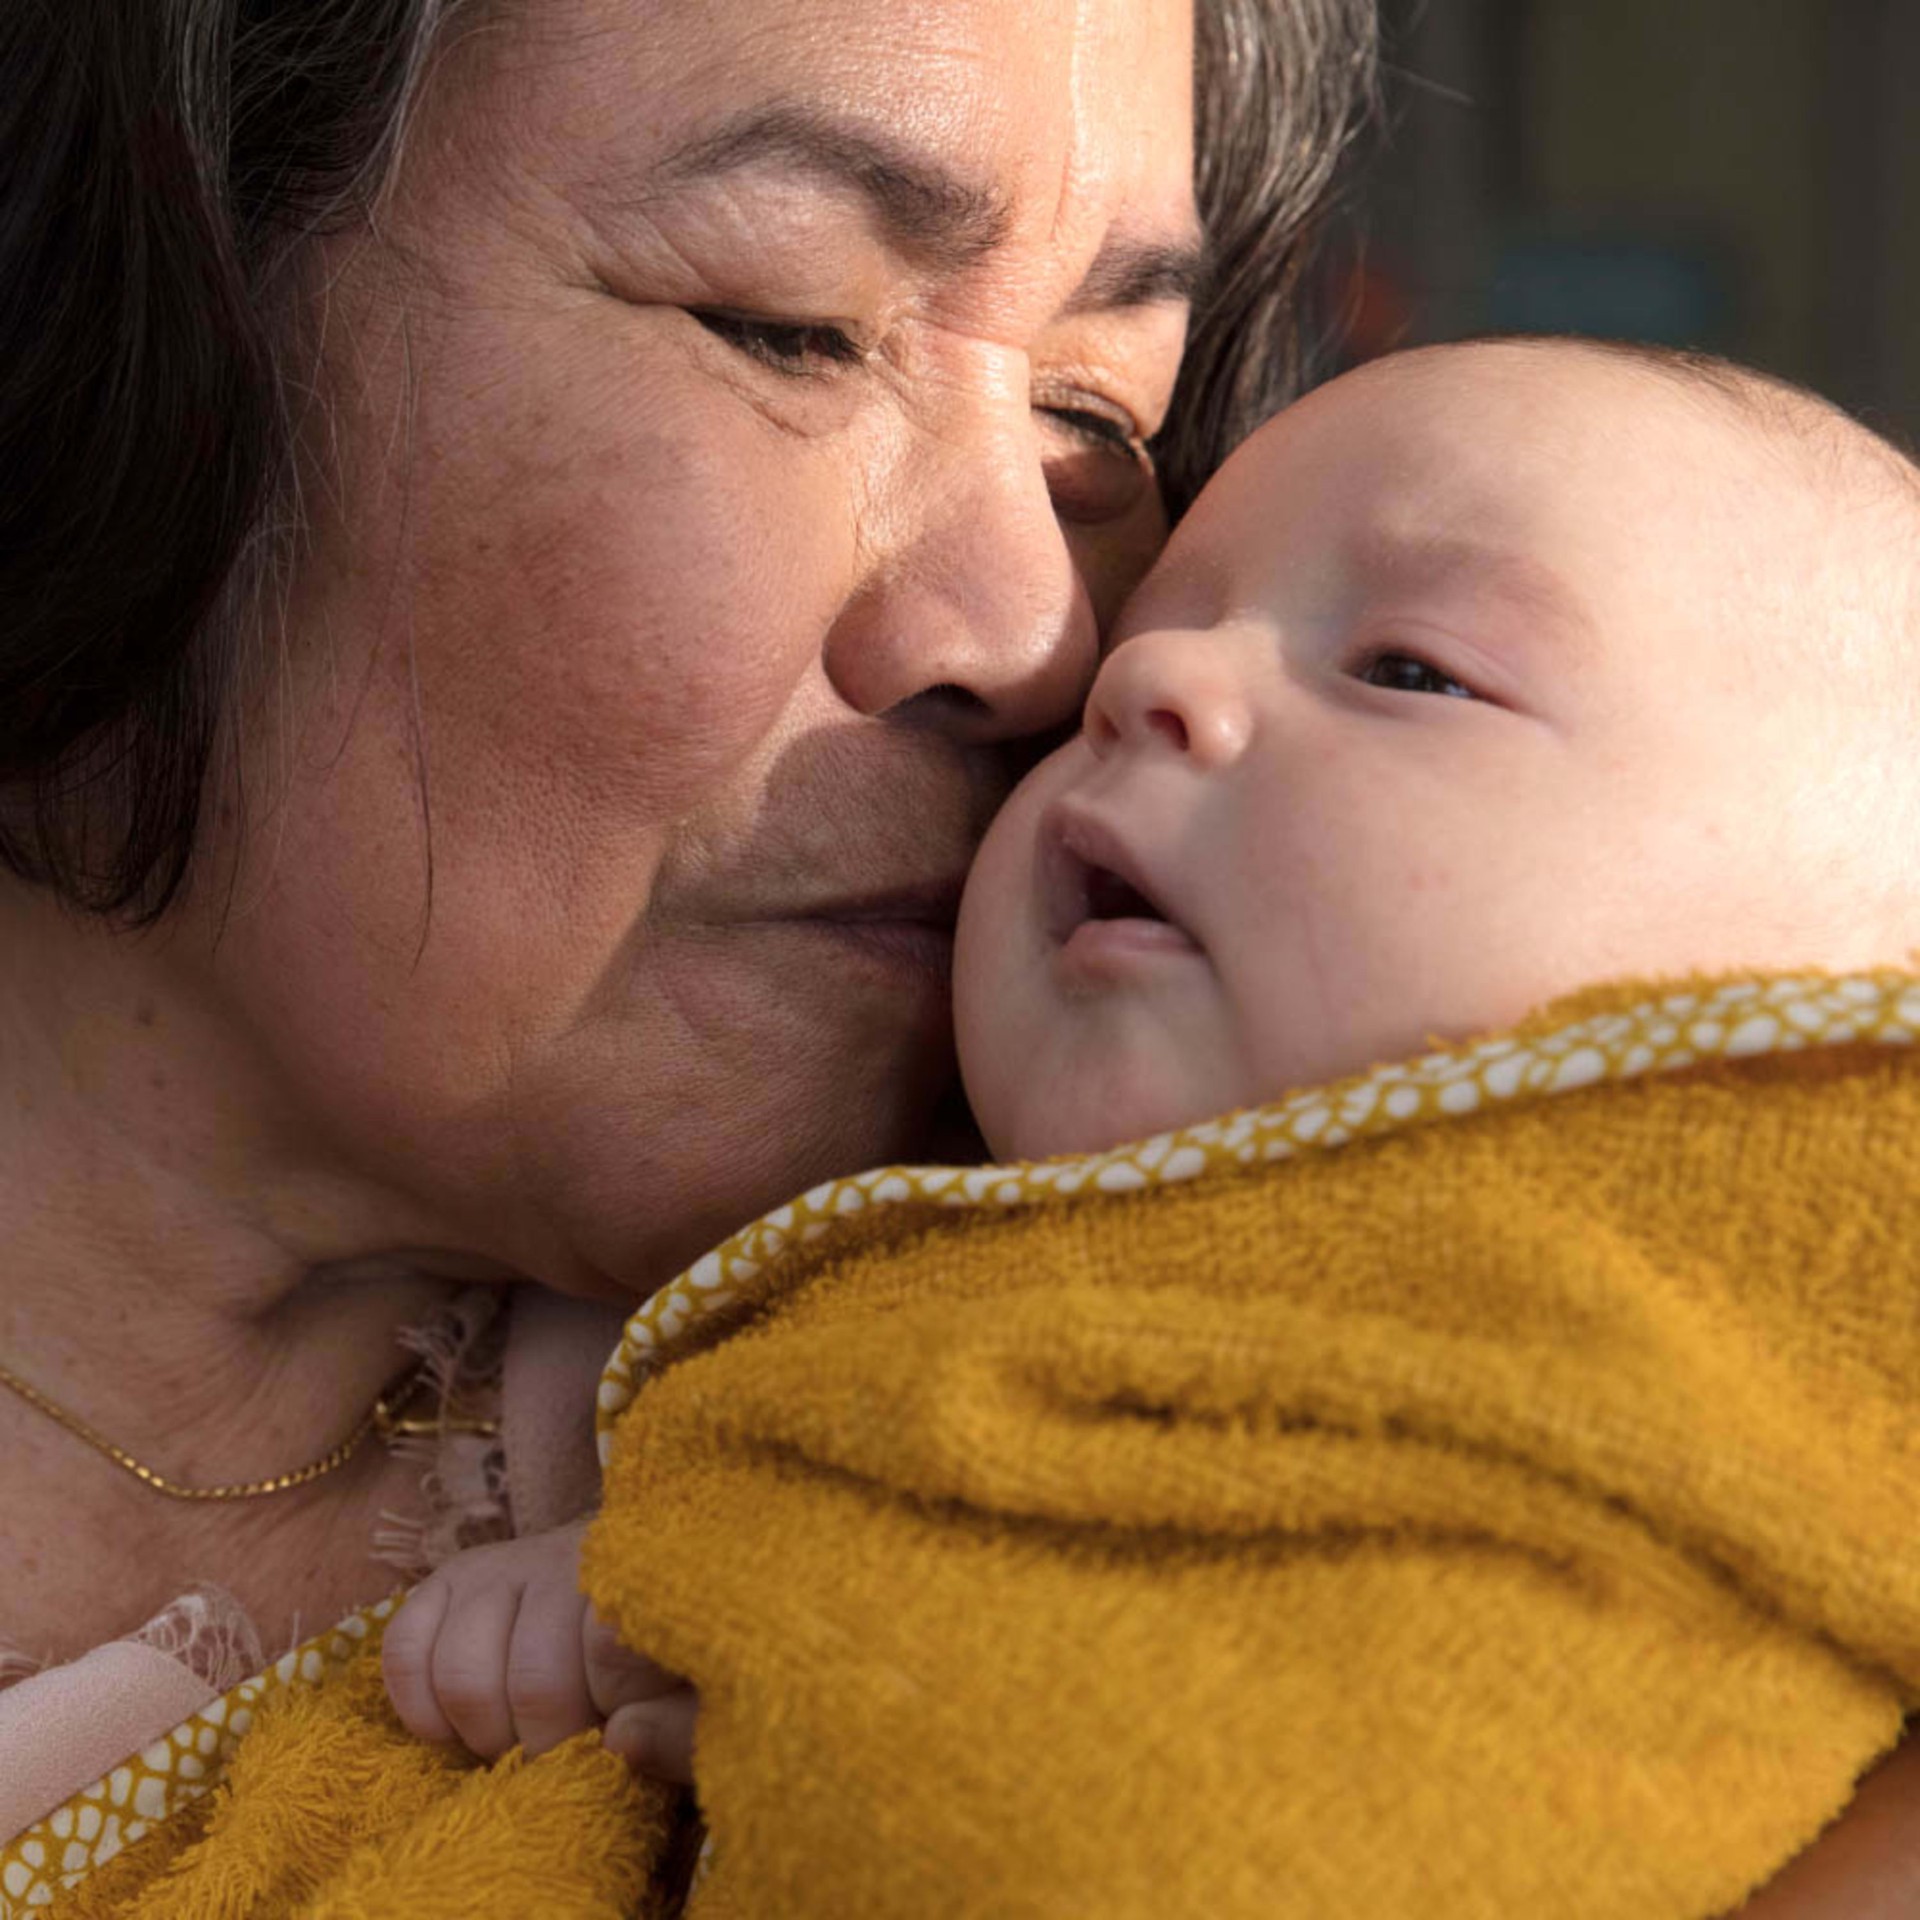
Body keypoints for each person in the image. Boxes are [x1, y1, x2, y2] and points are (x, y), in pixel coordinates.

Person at [0, 0, 1374, 1868]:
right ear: (103, 322)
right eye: (793, 325)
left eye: (1100, 414)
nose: (1048, 630)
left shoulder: (1265, 1445)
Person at [382, 338, 1920, 1915]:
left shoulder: (1826, 1288)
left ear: (1834, 989)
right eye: (1164, 624)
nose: (1138, 682)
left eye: (1408, 670)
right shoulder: (852, 1289)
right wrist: (657, 1574)